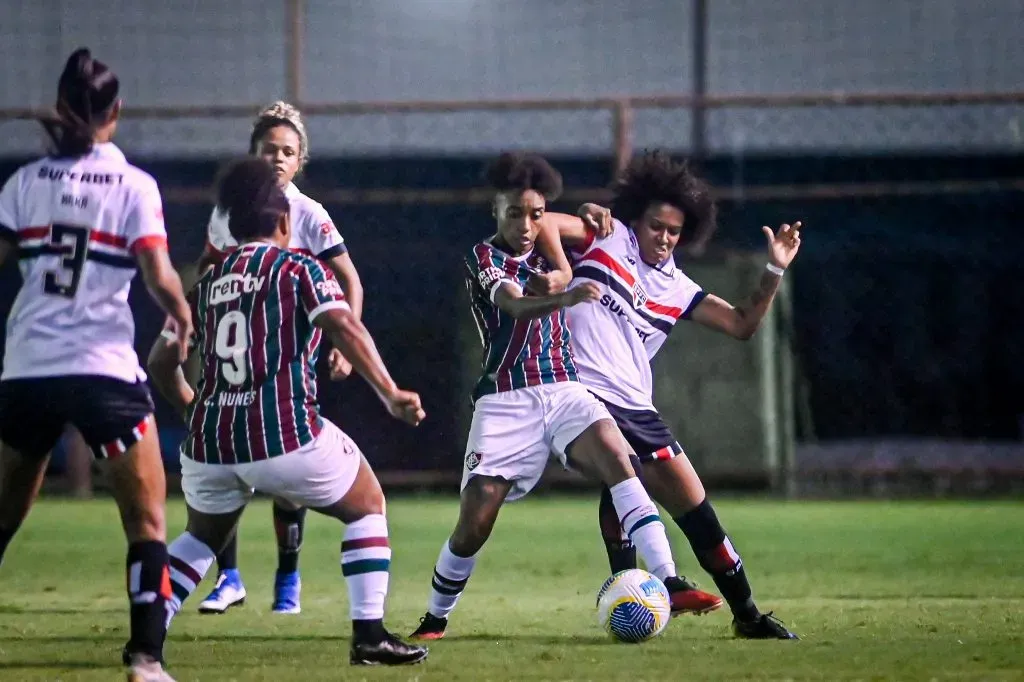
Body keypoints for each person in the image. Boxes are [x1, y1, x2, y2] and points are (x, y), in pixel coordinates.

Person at [147, 157, 428, 666]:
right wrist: (388, 392)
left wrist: (192, 408)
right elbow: (346, 327)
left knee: (201, 538)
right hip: (281, 434)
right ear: (283, 224)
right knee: (367, 504)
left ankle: (145, 641)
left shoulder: (204, 285)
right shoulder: (299, 269)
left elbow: (161, 362)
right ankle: (369, 635)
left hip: (210, 443)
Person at [408, 152, 697, 641]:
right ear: (495, 212)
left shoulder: (552, 253)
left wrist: (589, 217)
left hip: (564, 388)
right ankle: (435, 617)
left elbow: (584, 240)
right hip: (505, 399)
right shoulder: (483, 257)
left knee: (620, 459)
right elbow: (512, 305)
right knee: (477, 516)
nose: (526, 224)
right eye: (514, 213)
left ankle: (668, 579)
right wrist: (563, 297)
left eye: (536, 214)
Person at [0, 48, 192, 681]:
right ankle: (145, 659)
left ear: (60, 112)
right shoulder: (134, 186)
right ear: (118, 111)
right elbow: (157, 272)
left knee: (3, 516)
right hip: (103, 370)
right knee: (147, 519)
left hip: (27, 369)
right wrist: (182, 315)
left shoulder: (23, 184)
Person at [553, 151, 801, 639]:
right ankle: (657, 581)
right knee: (621, 470)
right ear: (636, 220)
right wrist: (581, 218)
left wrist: (774, 270)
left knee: (696, 510)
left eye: (673, 231)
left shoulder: (678, 287)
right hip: (578, 392)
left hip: (637, 408)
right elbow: (546, 224)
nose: (663, 237)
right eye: (656, 226)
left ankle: (747, 616)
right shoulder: (609, 238)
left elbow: (741, 325)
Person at [193, 101, 364, 615]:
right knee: (226, 467)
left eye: (288, 151)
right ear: (252, 154)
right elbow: (205, 273)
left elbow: (350, 280)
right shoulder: (228, 213)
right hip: (233, 358)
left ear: (300, 161)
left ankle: (287, 579)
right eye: (269, 149)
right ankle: (229, 578)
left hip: (289, 362)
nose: (277, 158)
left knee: (286, 472)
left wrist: (342, 343)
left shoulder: (308, 214)